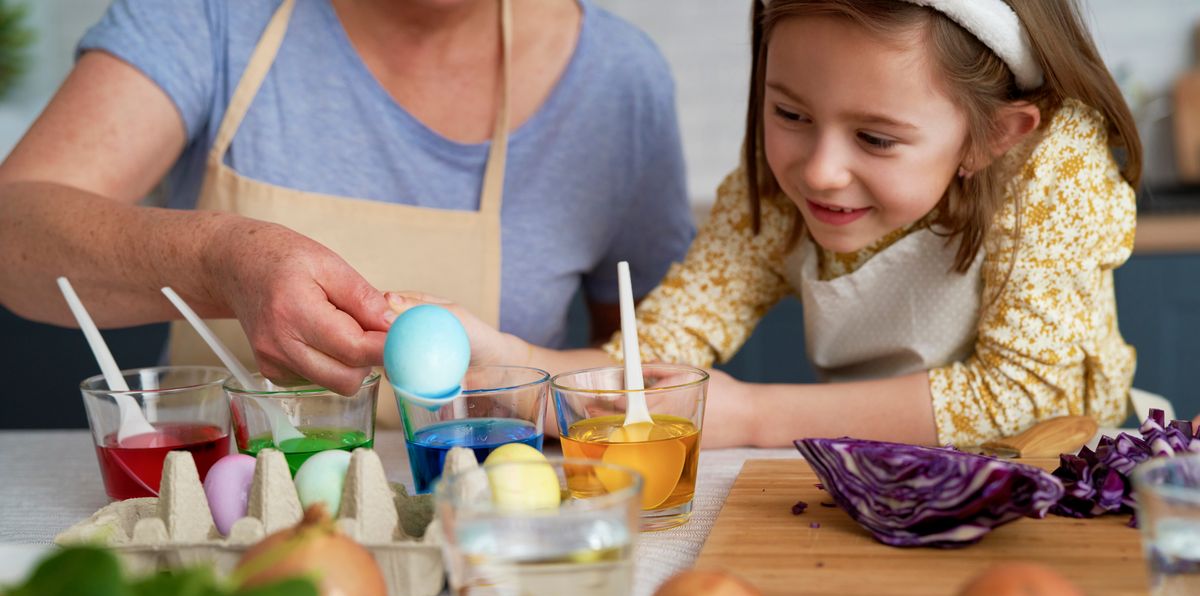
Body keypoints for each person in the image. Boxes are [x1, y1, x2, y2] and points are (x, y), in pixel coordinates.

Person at [389, 0, 1142, 449]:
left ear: (994, 135)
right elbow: (660, 357)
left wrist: (749, 413)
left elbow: (1031, 398)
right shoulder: (777, 189)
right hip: (884, 492)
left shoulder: (1053, 165)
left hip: (1056, 495)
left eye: (875, 138)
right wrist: (513, 362)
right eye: (788, 113)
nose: (818, 169)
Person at [0, 0, 693, 425]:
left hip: (480, 550)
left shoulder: (616, 81)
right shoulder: (210, 15)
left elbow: (647, 377)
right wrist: (222, 261)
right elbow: (12, 229)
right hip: (220, 534)